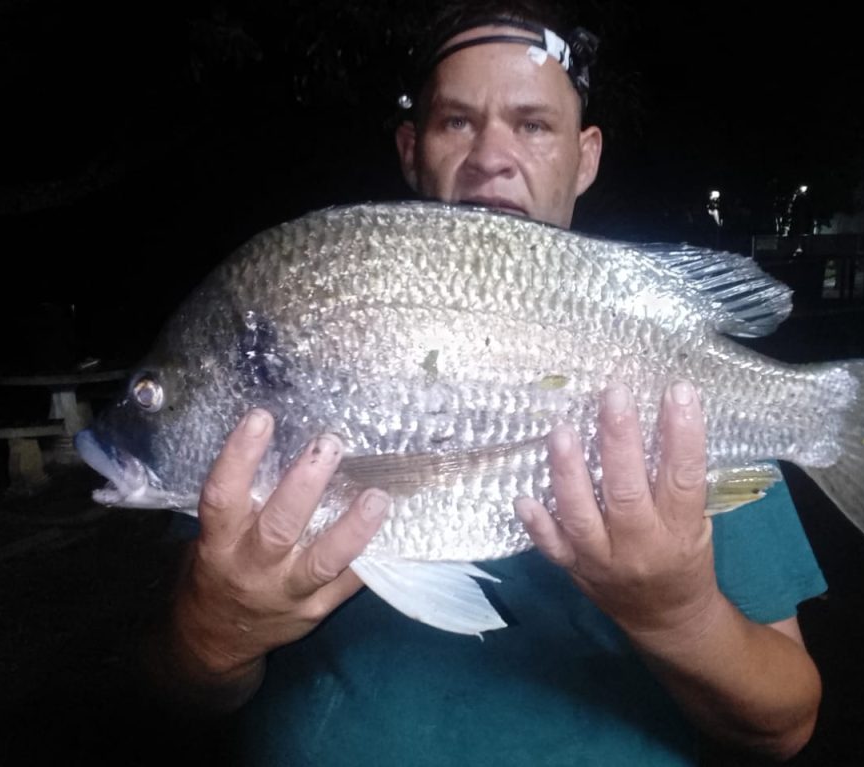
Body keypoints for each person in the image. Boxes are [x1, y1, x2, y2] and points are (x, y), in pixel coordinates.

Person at [143, 3, 826, 764]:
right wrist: (212, 633)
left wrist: (680, 615)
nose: (492, 155)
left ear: (586, 154)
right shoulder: (302, 320)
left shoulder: (668, 366)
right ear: (412, 146)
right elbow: (177, 694)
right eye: (456, 122)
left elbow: (784, 723)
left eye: (533, 124)